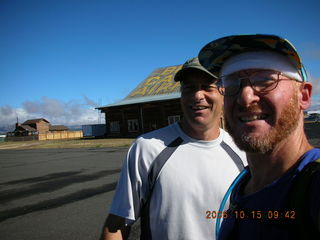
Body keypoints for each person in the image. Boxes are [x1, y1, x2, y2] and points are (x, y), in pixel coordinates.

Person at [100, 57, 247, 240]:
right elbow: (118, 222)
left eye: (207, 87)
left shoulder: (243, 150)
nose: (197, 96)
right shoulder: (147, 148)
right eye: (189, 88)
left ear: (223, 94)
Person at [198, 34, 320, 239]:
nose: (245, 98)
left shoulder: (314, 184)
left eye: (265, 80)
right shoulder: (243, 184)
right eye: (232, 84)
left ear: (304, 96)